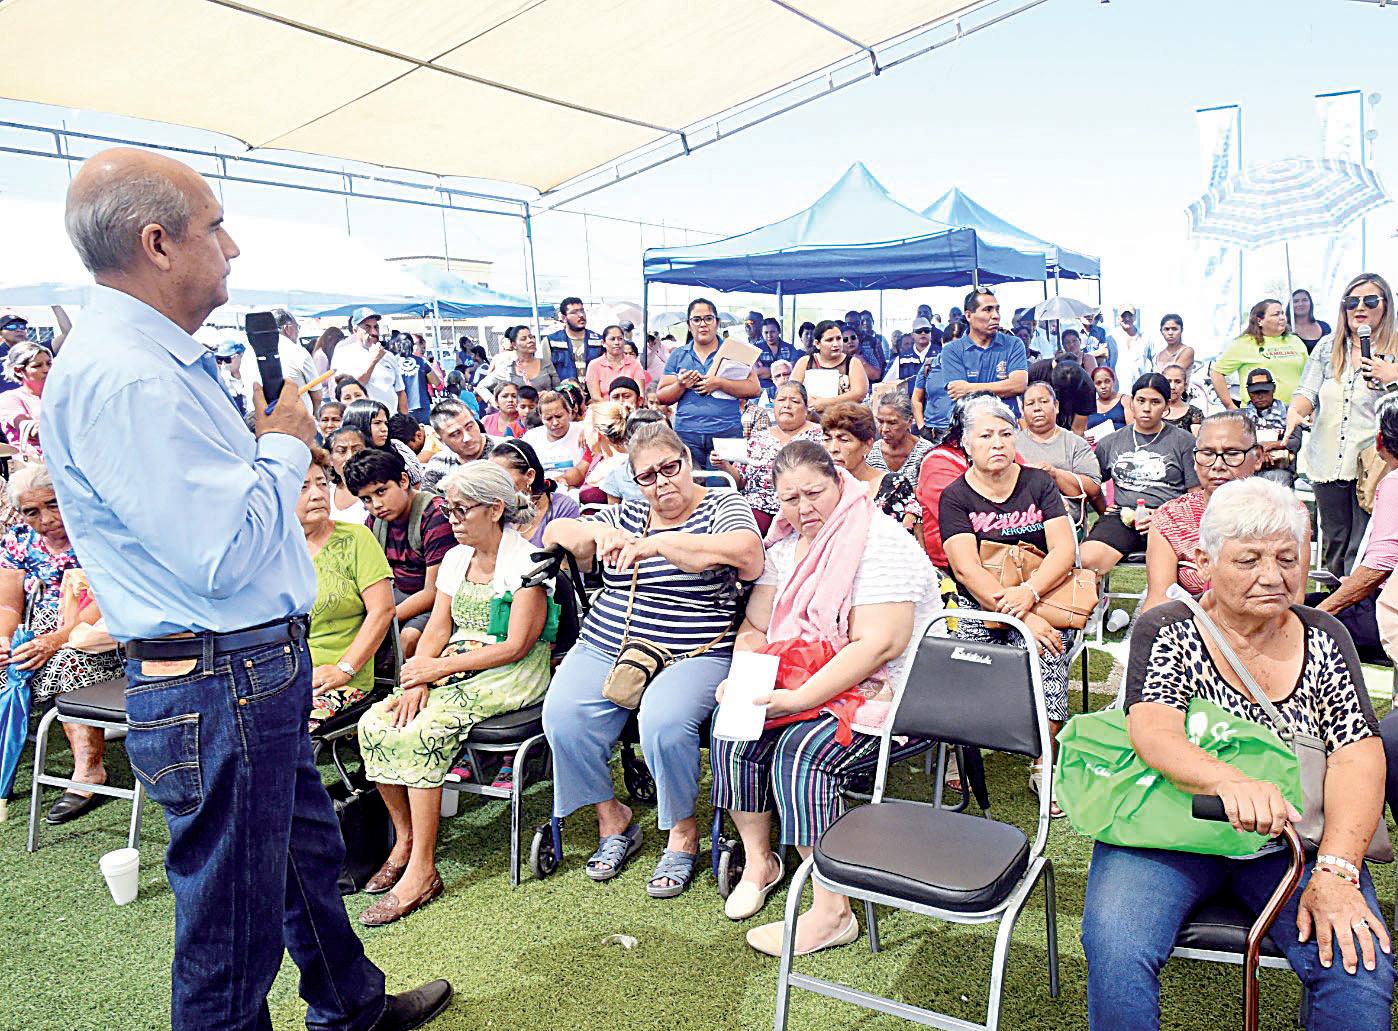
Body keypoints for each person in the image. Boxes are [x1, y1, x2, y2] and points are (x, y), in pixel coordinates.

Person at [46, 148, 448, 1029]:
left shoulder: (141, 361)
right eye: (216, 225)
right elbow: (221, 556)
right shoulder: (129, 376)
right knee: (230, 937)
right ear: (157, 242)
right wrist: (287, 444)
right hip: (218, 674)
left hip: (236, 669)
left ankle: (351, 1005)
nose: (232, 247)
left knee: (304, 859)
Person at [1082, 477, 1394, 1031]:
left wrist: (1337, 869)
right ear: (1204, 561)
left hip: (1290, 843)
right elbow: (1154, 730)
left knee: (1357, 967)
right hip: (1172, 830)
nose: (1272, 576)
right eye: (1248, 560)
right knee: (1117, 946)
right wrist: (1229, 781)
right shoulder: (1169, 627)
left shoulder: (1324, 636)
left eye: (1287, 559)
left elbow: (1357, 754)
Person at [710, 441, 936, 952]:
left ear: (839, 482)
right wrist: (746, 675)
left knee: (802, 752)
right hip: (803, 680)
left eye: (813, 493)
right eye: (789, 499)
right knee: (734, 730)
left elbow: (881, 644)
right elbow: (756, 626)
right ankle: (761, 862)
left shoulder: (880, 541)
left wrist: (798, 699)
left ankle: (832, 910)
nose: (802, 508)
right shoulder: (785, 547)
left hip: (888, 691)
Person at [541, 422, 764, 898]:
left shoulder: (723, 505)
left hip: (695, 648)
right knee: (562, 714)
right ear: (635, 481)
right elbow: (555, 530)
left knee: (663, 721)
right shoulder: (628, 514)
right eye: (647, 476)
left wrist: (662, 543)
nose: (662, 483)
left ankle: (683, 831)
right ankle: (612, 818)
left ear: (688, 460)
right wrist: (593, 531)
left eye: (670, 468)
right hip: (610, 640)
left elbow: (748, 555)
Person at [357, 463, 554, 926]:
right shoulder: (455, 559)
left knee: (422, 728)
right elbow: (438, 628)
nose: (452, 519)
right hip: (455, 661)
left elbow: (516, 646)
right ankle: (405, 840)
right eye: (448, 509)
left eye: (461, 510)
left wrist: (437, 669)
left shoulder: (528, 561)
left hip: (511, 671)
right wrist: (418, 678)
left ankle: (423, 869)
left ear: (495, 509)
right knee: (376, 721)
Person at [939, 395, 1078, 812]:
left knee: (1047, 650)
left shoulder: (1038, 483)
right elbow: (966, 570)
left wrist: (1030, 595)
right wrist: (1023, 617)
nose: (997, 443)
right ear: (967, 444)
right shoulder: (955, 496)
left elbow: (1063, 550)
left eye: (1004, 434)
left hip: (1041, 592)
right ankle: (961, 750)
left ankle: (1044, 762)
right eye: (985, 435)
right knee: (962, 657)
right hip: (982, 602)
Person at [0, 463, 124, 824]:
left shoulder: (96, 534)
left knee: (67, 663)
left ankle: (89, 771)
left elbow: (100, 603)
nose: (46, 519)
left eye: (53, 504)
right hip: (35, 630)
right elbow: (8, 606)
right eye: (32, 511)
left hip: (97, 634)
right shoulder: (18, 540)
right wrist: (4, 638)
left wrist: (55, 640)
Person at [1286, 273, 1396, 578]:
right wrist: (1295, 412)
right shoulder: (1327, 347)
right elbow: (1306, 392)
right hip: (1328, 461)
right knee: (1335, 542)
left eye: (1370, 300)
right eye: (1351, 301)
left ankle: (1360, 601)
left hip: (1375, 462)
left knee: (1364, 544)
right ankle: (1337, 597)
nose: (1359, 307)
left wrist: (1392, 376)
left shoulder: (1396, 348)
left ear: (1386, 305)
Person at [297, 449, 394, 731]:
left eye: (321, 483)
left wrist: (345, 669)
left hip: (340, 674)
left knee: (287, 725)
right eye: (303, 487)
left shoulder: (355, 538)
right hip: (285, 674)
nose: (317, 494)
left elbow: (383, 610)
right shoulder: (274, 548)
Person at [1140, 411, 1263, 611]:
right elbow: (1159, 600)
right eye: (1207, 454)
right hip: (1188, 625)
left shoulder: (1284, 515)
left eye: (1232, 454)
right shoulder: (1171, 518)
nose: (1218, 465)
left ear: (1257, 457)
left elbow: (1290, 601)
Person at [1080, 373, 1199, 576]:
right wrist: (1104, 510)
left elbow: (1195, 494)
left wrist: (1166, 516)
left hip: (1169, 519)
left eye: (1155, 402)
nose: (1146, 408)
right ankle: (1098, 596)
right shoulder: (1110, 442)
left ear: (1166, 406)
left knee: (1187, 571)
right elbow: (1092, 484)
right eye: (1141, 400)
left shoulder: (1184, 441)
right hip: (1123, 517)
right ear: (1131, 402)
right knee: (1086, 561)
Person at [344, 448, 455, 660]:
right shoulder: (375, 521)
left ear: (403, 481)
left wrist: (382, 618)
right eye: (366, 499)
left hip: (433, 600)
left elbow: (433, 592)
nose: (376, 505)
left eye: (381, 492)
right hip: (393, 594)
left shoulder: (434, 515)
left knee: (409, 637)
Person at [1309, 393, 1398, 655]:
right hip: (1380, 600)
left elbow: (1381, 565)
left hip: (1385, 612)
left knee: (1296, 613)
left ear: (1380, 440)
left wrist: (1320, 615)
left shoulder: (1394, 483)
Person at [656, 297, 762, 470]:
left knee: (724, 483)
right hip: (687, 434)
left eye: (708, 319)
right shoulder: (678, 355)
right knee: (690, 483)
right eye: (696, 320)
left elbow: (754, 389)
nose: (703, 324)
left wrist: (719, 383)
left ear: (717, 323)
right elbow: (661, 397)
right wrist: (681, 384)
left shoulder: (734, 351)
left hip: (726, 433)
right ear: (689, 325)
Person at [712, 381, 823, 534]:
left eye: (795, 401)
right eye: (781, 400)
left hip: (801, 506)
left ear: (805, 409)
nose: (787, 405)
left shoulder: (820, 435)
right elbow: (741, 481)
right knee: (738, 533)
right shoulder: (758, 437)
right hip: (756, 505)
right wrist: (724, 465)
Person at [822, 401, 920, 539]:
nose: (833, 448)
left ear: (867, 445)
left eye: (844, 440)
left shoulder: (895, 487)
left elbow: (911, 542)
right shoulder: (818, 487)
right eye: (827, 439)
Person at [1016, 380, 1103, 533]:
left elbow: (1093, 489)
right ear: (1022, 411)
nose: (1037, 408)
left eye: (1043, 401)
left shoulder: (1076, 443)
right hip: (1021, 523)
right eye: (1030, 404)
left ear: (1056, 406)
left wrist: (1054, 474)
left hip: (1068, 523)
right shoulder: (1011, 444)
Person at [942, 288, 1029, 416]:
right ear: (969, 316)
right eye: (988, 310)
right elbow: (958, 393)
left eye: (997, 309)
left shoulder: (1013, 344)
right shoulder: (952, 350)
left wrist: (969, 388)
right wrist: (1004, 387)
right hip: (970, 422)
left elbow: (1019, 385)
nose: (996, 316)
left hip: (1007, 423)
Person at [1210, 298, 1308, 409]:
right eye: (1276, 314)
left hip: (1296, 411)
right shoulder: (1244, 343)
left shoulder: (1295, 341)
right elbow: (1216, 372)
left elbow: (1309, 375)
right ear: (1259, 321)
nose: (1282, 317)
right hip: (1258, 413)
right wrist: (1230, 405)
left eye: (1282, 313)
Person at [489, 438, 581, 546]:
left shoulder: (562, 508)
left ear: (529, 476)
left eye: (502, 477)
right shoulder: (494, 511)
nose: (494, 484)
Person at [332, 308, 409, 415]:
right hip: (362, 418)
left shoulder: (388, 355)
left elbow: (400, 391)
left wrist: (405, 418)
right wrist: (373, 361)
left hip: (390, 418)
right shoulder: (345, 354)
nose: (373, 332)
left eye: (376, 327)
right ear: (355, 330)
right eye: (367, 327)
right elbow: (353, 387)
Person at [791, 319, 870, 414]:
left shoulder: (853, 362)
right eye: (830, 340)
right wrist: (809, 400)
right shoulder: (805, 362)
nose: (836, 344)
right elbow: (791, 390)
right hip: (810, 417)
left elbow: (859, 394)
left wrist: (825, 403)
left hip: (844, 418)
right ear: (817, 344)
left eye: (839, 338)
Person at [341, 397, 424, 486]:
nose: (384, 429)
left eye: (386, 423)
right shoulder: (348, 460)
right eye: (377, 423)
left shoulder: (397, 447)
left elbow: (418, 483)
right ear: (359, 424)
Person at [1242, 367, 1300, 486]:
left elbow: (1295, 442)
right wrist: (1257, 450)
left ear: (1273, 389)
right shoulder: (1240, 417)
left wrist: (1271, 445)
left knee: (1277, 477)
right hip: (1249, 468)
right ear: (1248, 392)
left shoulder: (1289, 413)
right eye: (1255, 392)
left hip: (1280, 468)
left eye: (1265, 391)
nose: (1260, 396)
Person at [423, 399, 494, 491]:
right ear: (441, 440)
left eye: (469, 427)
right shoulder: (438, 463)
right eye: (455, 434)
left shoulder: (506, 450)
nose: (467, 438)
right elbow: (428, 496)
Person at [868, 391, 934, 488]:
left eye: (892, 423)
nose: (884, 429)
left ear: (909, 422)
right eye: (880, 422)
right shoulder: (871, 453)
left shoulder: (926, 453)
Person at [0, 341, 51, 456]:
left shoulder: (59, 396)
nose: (46, 369)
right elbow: (26, 428)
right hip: (35, 464)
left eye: (49, 364)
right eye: (37, 366)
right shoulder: (10, 398)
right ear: (18, 371)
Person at [481, 325, 559, 399]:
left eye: (531, 337)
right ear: (514, 345)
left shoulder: (546, 363)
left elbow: (558, 389)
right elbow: (481, 387)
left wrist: (550, 394)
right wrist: (495, 403)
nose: (530, 340)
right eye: (523, 339)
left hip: (544, 408)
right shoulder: (508, 368)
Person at [523, 389, 584, 482]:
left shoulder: (584, 430)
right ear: (541, 418)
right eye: (548, 418)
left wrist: (590, 426)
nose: (555, 423)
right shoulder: (530, 437)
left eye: (559, 416)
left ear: (569, 412)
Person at [545, 296, 601, 384]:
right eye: (574, 312)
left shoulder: (599, 341)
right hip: (564, 391)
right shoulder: (551, 342)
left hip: (594, 391)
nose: (581, 315)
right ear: (564, 318)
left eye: (582, 310)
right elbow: (546, 373)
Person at [586, 323, 647, 400]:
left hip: (630, 406)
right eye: (612, 339)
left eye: (620, 339)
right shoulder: (594, 365)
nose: (617, 343)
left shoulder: (635, 364)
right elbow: (595, 397)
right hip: (604, 406)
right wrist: (614, 407)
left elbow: (640, 394)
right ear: (603, 343)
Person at [753, 317, 800, 395]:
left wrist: (765, 370)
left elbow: (793, 371)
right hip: (762, 391)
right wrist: (783, 372)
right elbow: (756, 372)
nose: (769, 335)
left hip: (786, 390)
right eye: (766, 332)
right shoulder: (756, 349)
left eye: (772, 332)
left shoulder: (790, 348)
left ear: (779, 331)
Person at [400, 336, 439, 425]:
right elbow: (435, 382)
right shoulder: (422, 362)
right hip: (422, 407)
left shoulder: (394, 362)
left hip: (403, 409)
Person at [1087, 365, 1132, 436]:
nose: (1103, 386)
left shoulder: (1125, 400)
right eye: (1098, 383)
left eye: (1107, 381)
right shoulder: (1089, 406)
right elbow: (1080, 431)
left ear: (1113, 381)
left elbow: (1132, 429)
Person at [1160, 363, 1202, 434]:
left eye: (1178, 382)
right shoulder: (1153, 410)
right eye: (1168, 381)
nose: (1172, 387)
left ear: (1185, 385)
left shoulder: (1195, 414)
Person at [1290, 287, 1332, 353]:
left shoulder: (1325, 327)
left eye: (1305, 300)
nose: (1300, 304)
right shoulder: (1285, 329)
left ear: (1310, 303)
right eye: (1296, 301)